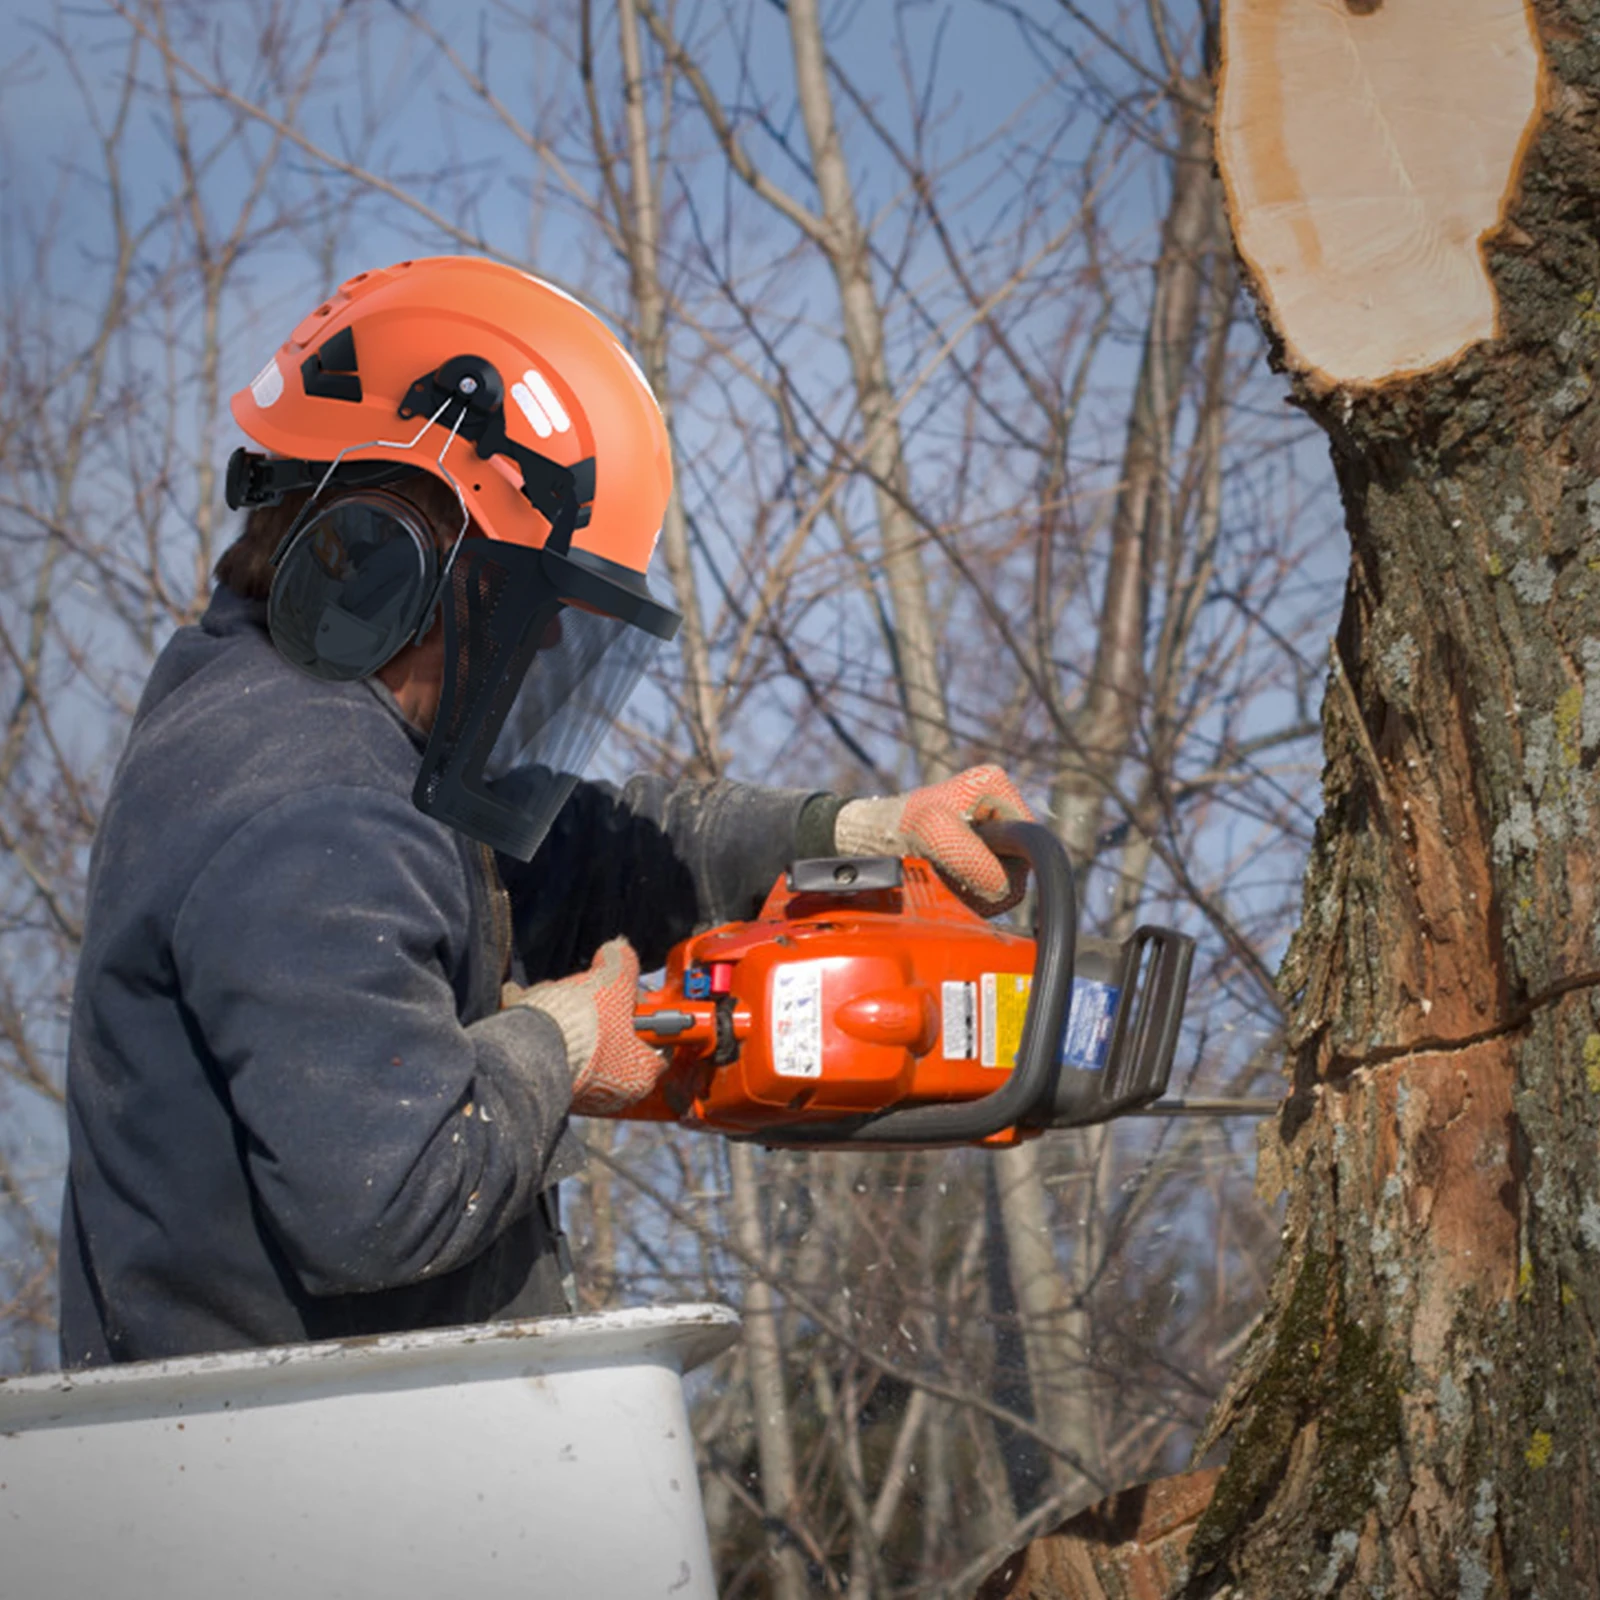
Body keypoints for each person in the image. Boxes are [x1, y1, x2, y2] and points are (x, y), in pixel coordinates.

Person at [59, 256, 1031, 1368]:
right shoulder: (312, 808)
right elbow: (391, 1195)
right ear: (397, 558)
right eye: (536, 599)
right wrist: (556, 1045)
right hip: (292, 1482)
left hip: (319, 1449)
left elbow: (591, 858)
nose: (554, 645)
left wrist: (850, 833)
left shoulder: (300, 729)